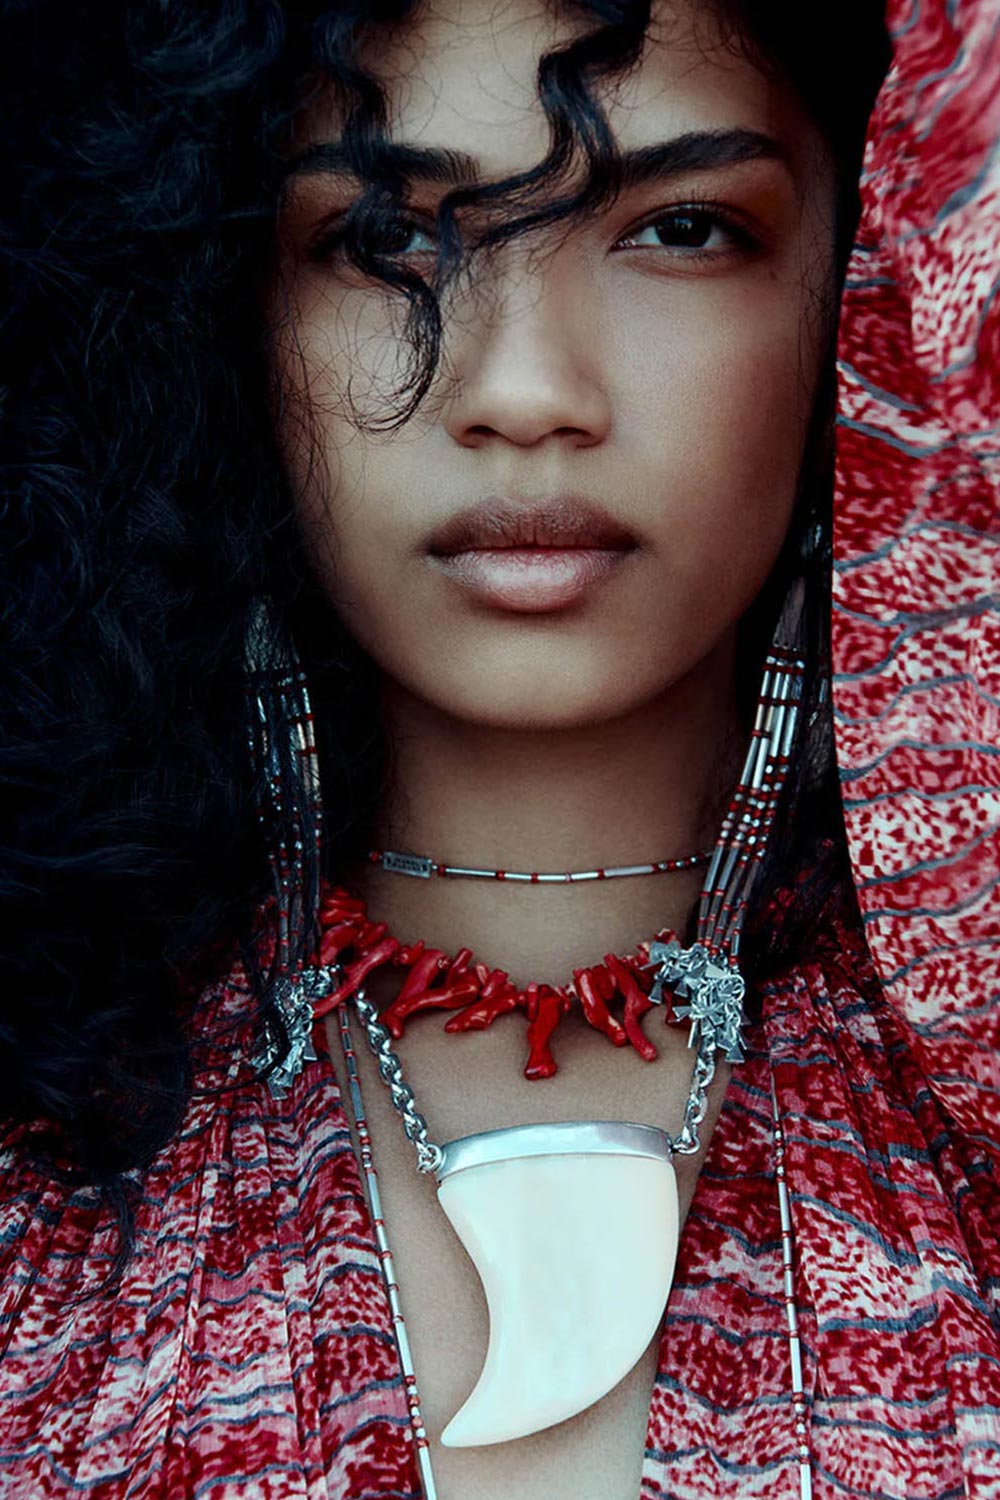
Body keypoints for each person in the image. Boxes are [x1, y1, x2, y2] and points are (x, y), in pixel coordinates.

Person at [0, 0, 996, 1496]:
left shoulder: (972, 1095)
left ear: (866, 300)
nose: (525, 391)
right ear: (220, 303)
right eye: (384, 238)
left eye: (684, 231)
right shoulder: (42, 1149)